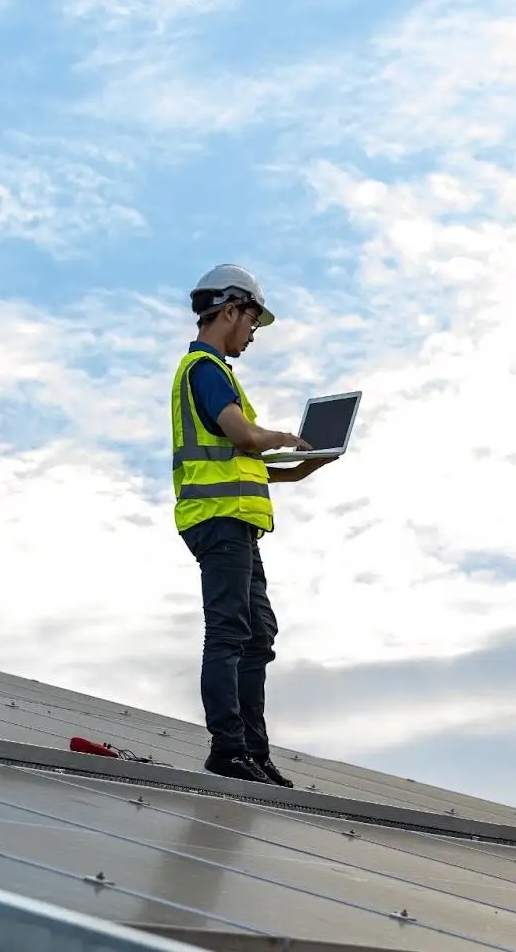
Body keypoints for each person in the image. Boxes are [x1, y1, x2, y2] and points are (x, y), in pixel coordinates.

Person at [171, 265, 334, 786]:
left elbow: (239, 459)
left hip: (233, 522)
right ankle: (229, 750)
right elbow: (241, 436)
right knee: (229, 632)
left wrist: (299, 467)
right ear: (231, 309)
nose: (251, 334)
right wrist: (284, 436)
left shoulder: (214, 372)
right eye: (251, 322)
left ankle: (253, 751)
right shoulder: (205, 369)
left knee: (257, 634)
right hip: (217, 523)